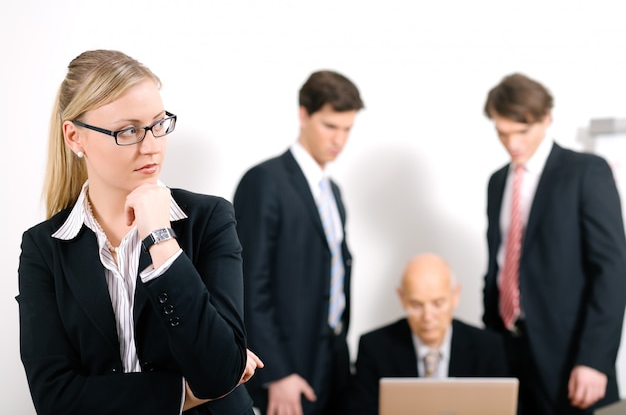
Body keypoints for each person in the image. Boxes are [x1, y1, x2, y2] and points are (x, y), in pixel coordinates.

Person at [16, 49, 262, 415]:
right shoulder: (44, 247)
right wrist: (185, 394)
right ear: (74, 137)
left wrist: (161, 239)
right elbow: (55, 398)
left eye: (158, 124)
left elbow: (218, 371)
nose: (151, 147)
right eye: (128, 131)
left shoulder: (209, 217)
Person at [482, 72, 626, 415]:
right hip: (507, 349)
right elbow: (499, 262)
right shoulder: (498, 181)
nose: (513, 144)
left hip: (571, 356)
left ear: (546, 118)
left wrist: (594, 359)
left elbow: (612, 271)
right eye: (502, 134)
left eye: (522, 132)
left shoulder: (586, 172)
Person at [233, 70, 364, 415]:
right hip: (287, 362)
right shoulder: (265, 181)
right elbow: (248, 284)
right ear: (303, 115)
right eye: (330, 126)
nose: (339, 139)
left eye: (347, 129)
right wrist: (277, 372)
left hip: (333, 355)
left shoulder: (332, 192)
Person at [349, 253, 509, 415]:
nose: (428, 316)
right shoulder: (374, 348)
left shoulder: (488, 347)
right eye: (416, 305)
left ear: (455, 295)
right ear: (401, 298)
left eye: (438, 304)